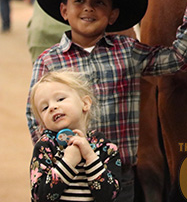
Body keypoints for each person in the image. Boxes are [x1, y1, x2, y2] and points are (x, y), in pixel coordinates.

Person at [25, 0, 187, 202]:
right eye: (79, 1)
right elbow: (33, 114)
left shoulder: (126, 51)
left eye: (99, 2)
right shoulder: (48, 61)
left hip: (117, 175)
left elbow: (177, 59)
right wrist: (54, 156)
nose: (88, 8)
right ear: (64, 11)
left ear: (112, 15)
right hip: (67, 177)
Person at [29, 70, 121, 201]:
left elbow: (109, 195)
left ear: (85, 103)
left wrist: (90, 156)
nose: (52, 107)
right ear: (42, 122)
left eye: (60, 99)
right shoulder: (45, 147)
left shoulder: (106, 147)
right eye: (44, 107)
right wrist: (68, 162)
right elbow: (40, 196)